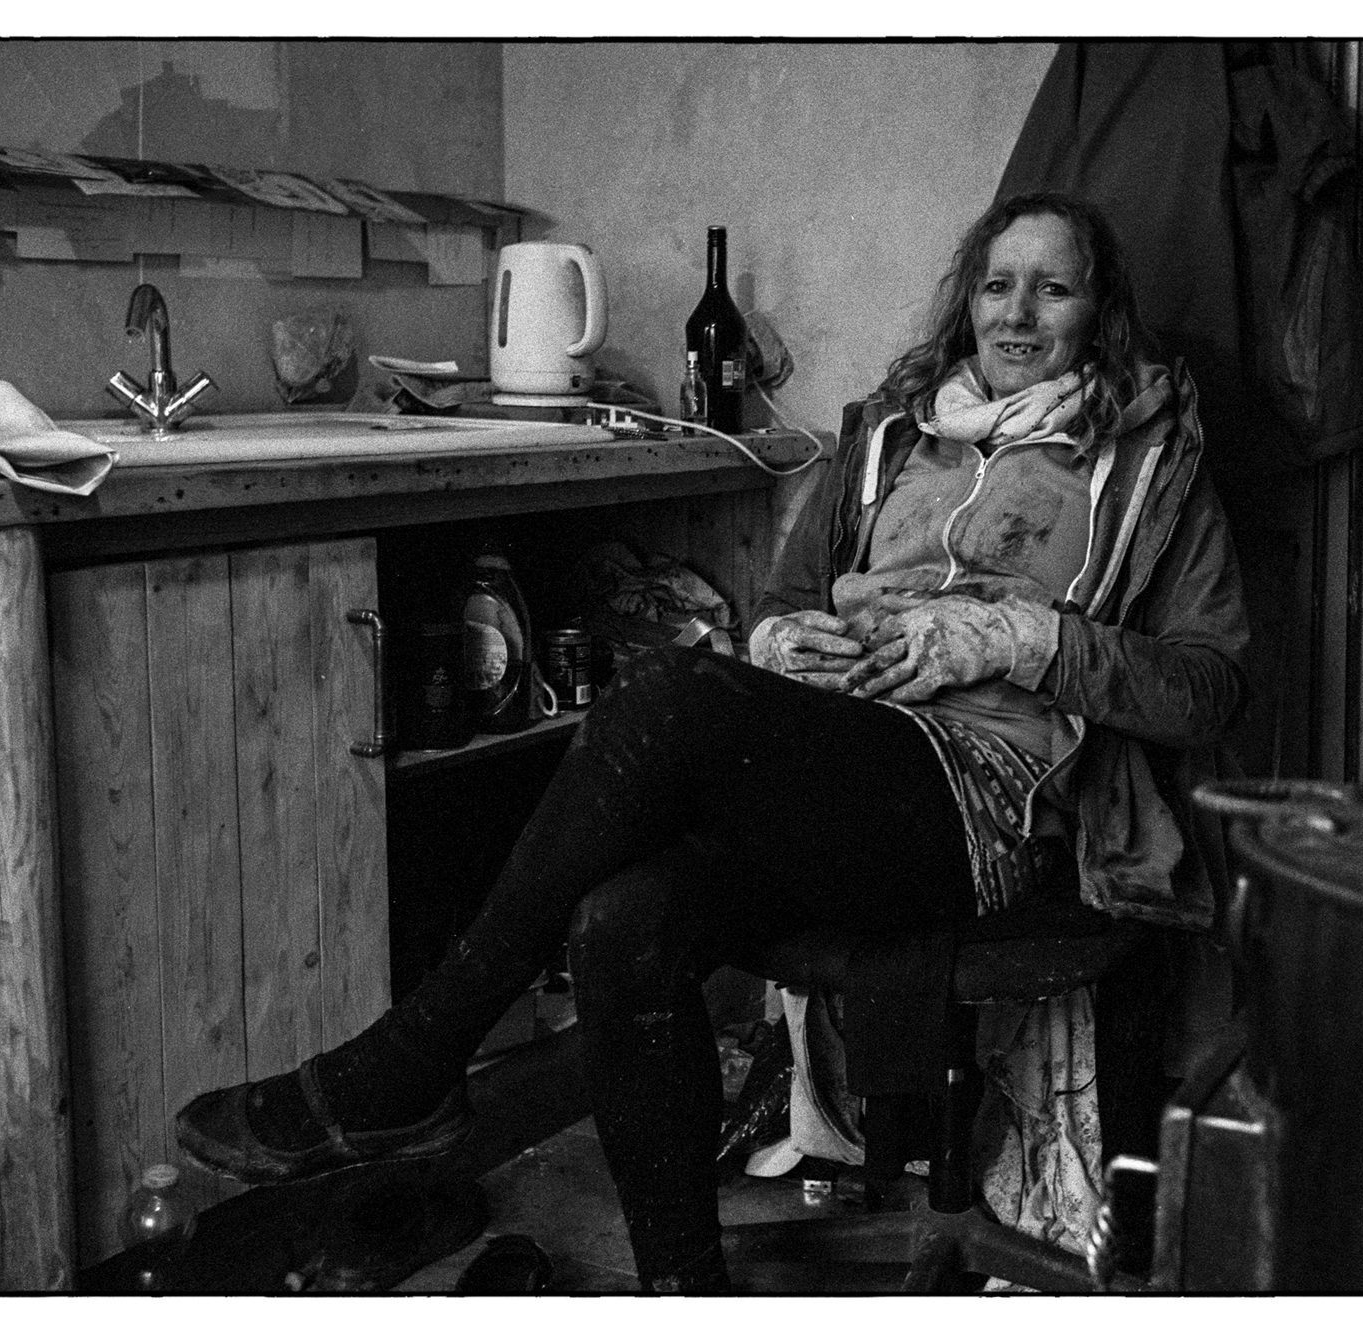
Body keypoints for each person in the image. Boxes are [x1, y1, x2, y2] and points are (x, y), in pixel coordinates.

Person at [175, 191, 1250, 1293]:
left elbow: (1207, 687)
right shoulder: (893, 429)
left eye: (1052, 288)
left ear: (1097, 310)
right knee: (618, 919)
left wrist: (1025, 636)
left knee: (673, 698)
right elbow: (783, 599)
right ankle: (679, 1288)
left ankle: (411, 1060)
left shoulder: (1144, 454)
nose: (1016, 314)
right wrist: (797, 637)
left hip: (988, 798)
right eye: (996, 283)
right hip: (840, 766)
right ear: (966, 298)